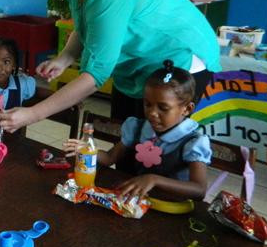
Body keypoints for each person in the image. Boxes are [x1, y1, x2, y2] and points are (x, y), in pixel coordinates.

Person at [0, 0, 220, 131]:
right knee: (125, 141)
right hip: (139, 66)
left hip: (178, 62)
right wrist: (66, 57)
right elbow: (86, 26)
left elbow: (94, 77)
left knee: (158, 154)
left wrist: (32, 114)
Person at [63, 60, 211, 200]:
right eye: (147, 104)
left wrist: (153, 180)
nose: (152, 113)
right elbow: (109, 158)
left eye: (163, 107)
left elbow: (199, 190)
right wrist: (88, 150)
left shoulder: (193, 142)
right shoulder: (137, 128)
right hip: (136, 201)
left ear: (187, 109)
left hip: (171, 207)